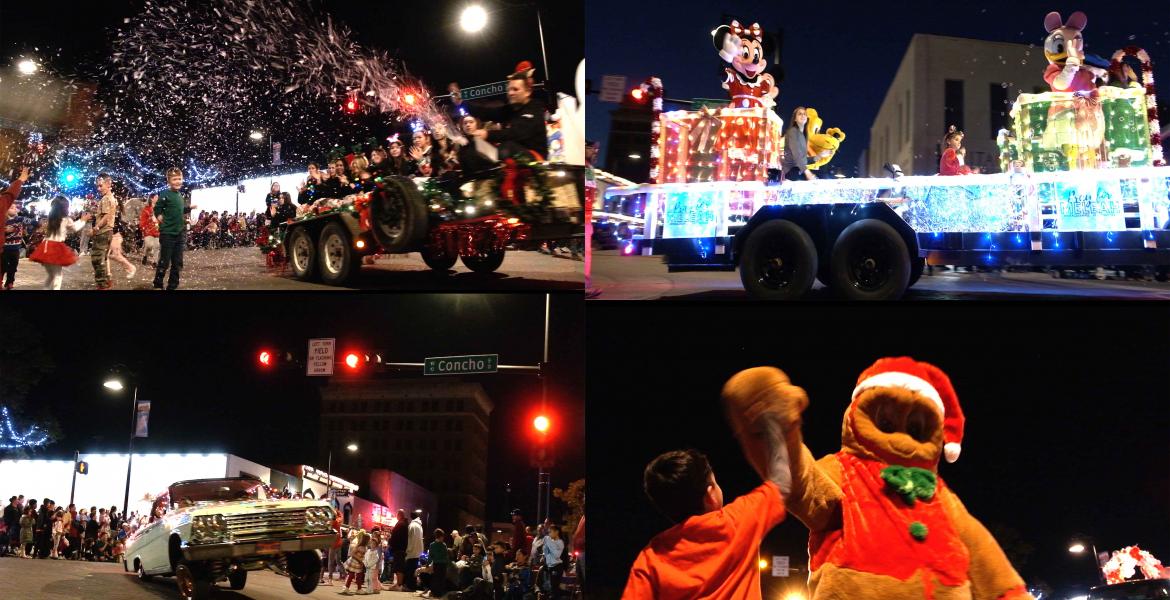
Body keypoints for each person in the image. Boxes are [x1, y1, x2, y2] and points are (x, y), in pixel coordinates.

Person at [622, 422, 793, 599]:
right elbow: (781, 483)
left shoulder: (650, 558)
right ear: (710, 494)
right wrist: (772, 423)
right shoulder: (738, 521)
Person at [452, 61, 550, 160]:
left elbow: (516, 133)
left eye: (515, 89)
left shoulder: (534, 107)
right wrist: (462, 103)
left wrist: (487, 134)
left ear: (528, 91)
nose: (510, 93)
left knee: (507, 147)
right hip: (517, 160)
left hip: (536, 160)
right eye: (509, 89)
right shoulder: (511, 109)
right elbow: (488, 112)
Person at [27, 196, 90, 290]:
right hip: (56, 247)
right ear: (65, 208)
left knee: (51, 275)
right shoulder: (65, 219)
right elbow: (75, 228)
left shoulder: (51, 218)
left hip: (46, 247)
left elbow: (63, 230)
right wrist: (83, 220)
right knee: (58, 275)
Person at [153, 168, 188, 290]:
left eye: (179, 179)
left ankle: (173, 285)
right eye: (174, 179)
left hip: (179, 233)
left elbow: (180, 210)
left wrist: (189, 209)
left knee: (178, 262)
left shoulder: (180, 195)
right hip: (167, 233)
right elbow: (157, 208)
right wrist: (158, 215)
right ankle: (158, 284)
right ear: (169, 181)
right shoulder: (165, 194)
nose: (178, 181)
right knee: (164, 261)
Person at [91, 174, 118, 289]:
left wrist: (96, 227)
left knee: (97, 258)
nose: (98, 188)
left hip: (103, 232)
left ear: (108, 184)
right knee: (103, 258)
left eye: (100, 185)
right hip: (108, 232)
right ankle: (106, 281)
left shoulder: (106, 198)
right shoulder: (111, 197)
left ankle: (102, 284)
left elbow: (106, 216)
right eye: (97, 186)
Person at [4, 202, 35, 290]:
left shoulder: (20, 219)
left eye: (15, 207)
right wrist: (5, 231)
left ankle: (10, 282)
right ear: (6, 210)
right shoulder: (3, 220)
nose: (15, 209)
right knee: (3, 266)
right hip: (5, 247)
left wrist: (36, 223)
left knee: (13, 266)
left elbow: (31, 221)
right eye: (12, 207)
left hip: (15, 248)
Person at [782, 107, 815, 181]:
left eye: (804, 114)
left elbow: (803, 159)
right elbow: (796, 154)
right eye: (800, 114)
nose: (803, 116)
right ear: (795, 119)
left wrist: (819, 157)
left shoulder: (803, 135)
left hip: (799, 171)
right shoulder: (792, 132)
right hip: (791, 172)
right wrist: (807, 172)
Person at [107, 199, 137, 280]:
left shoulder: (115, 213)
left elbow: (115, 226)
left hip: (116, 236)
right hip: (114, 235)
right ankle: (108, 274)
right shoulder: (115, 213)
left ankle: (131, 267)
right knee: (109, 256)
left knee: (114, 255)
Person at [342, 531, 369, 595]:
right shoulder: (359, 546)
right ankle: (347, 588)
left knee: (359, 576)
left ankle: (358, 589)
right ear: (366, 540)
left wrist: (362, 561)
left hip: (358, 563)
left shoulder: (364, 547)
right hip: (354, 562)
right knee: (351, 575)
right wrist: (359, 560)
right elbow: (352, 554)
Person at [427, 528, 450, 599]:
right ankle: (439, 593)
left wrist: (428, 563)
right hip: (443, 564)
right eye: (443, 536)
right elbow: (446, 555)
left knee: (436, 578)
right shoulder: (443, 545)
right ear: (440, 536)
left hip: (436, 564)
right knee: (441, 579)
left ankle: (434, 592)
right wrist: (448, 563)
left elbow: (430, 556)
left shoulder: (432, 545)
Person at [389, 509, 409, 590]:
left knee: (399, 566)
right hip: (401, 548)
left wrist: (391, 541)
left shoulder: (401, 524)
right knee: (398, 566)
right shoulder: (404, 523)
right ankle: (398, 583)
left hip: (399, 548)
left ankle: (399, 584)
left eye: (397, 514)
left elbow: (396, 536)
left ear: (399, 515)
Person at [405, 510, 424, 591]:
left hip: (411, 551)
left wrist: (407, 549)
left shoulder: (412, 525)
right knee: (414, 570)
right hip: (418, 551)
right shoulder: (420, 526)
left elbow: (409, 539)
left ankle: (409, 586)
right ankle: (413, 586)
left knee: (409, 569)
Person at [140, 194, 160, 266]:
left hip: (157, 230)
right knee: (149, 245)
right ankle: (145, 254)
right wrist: (144, 228)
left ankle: (154, 262)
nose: (158, 198)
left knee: (157, 245)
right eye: (156, 197)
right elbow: (142, 220)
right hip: (149, 230)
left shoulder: (159, 209)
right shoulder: (146, 209)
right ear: (152, 199)